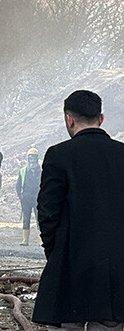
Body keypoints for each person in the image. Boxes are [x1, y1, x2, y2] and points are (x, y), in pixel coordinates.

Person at [32, 90, 124, 330]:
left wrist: (55, 253)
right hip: (116, 270)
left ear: (69, 119)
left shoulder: (59, 155)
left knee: (66, 325)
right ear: (100, 118)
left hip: (70, 263)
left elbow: (47, 212)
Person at [15, 147, 41, 246]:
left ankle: (40, 240)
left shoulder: (42, 170)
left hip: (38, 198)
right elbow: (18, 185)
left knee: (39, 218)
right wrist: (20, 195)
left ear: (37, 158)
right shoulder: (23, 171)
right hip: (26, 198)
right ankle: (25, 240)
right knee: (26, 218)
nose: (32, 159)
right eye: (30, 157)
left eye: (33, 157)